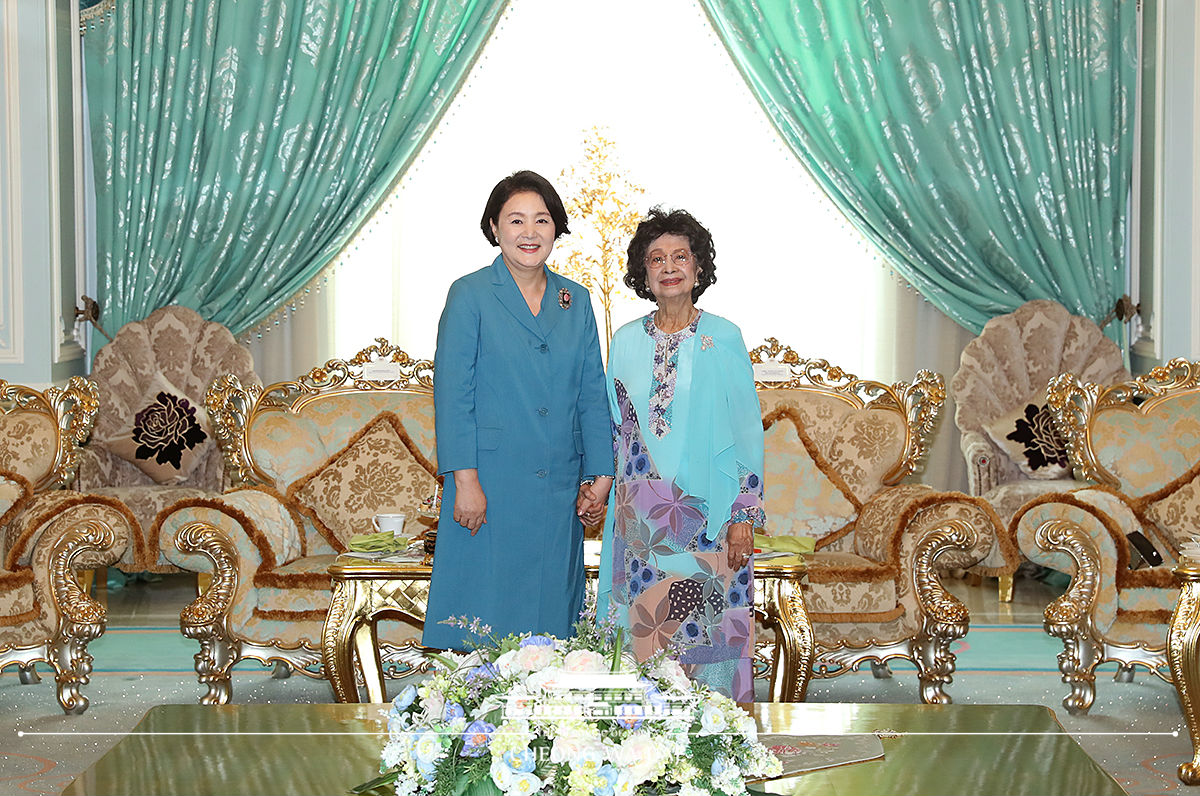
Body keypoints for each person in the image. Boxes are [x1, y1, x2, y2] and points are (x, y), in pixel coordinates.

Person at [424, 170, 614, 650]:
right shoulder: (470, 295)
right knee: (483, 621)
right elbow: (453, 395)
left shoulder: (576, 299)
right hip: (489, 483)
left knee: (552, 621)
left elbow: (593, 391)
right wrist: (463, 481)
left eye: (541, 220)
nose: (529, 233)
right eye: (516, 220)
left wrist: (602, 474)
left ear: (556, 229)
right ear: (494, 228)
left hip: (558, 485)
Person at [596, 207, 765, 701]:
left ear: (697, 267)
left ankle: (716, 747)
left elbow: (747, 432)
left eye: (680, 257)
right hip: (641, 519)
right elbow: (616, 428)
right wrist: (600, 486)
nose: (669, 267)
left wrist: (743, 514)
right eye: (656, 259)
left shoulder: (723, 336)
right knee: (646, 641)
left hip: (709, 516)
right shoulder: (625, 341)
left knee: (707, 641)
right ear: (643, 273)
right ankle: (648, 749)